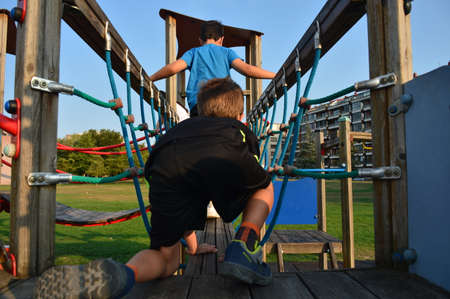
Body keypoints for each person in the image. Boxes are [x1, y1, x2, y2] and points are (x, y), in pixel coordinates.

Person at [34, 78, 274, 298]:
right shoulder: (237, 130)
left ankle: (123, 273)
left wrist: (192, 246)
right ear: (240, 114)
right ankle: (242, 244)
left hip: (164, 162)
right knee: (263, 187)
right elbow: (246, 167)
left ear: (199, 109)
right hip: (224, 153)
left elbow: (186, 199)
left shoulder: (181, 128)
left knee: (167, 260)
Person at [149, 20, 275, 116]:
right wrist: (275, 75)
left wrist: (151, 79)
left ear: (200, 40)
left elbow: (172, 69)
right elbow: (247, 70)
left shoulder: (193, 52)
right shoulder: (226, 52)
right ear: (221, 39)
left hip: (199, 105)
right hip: (224, 103)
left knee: (200, 140)